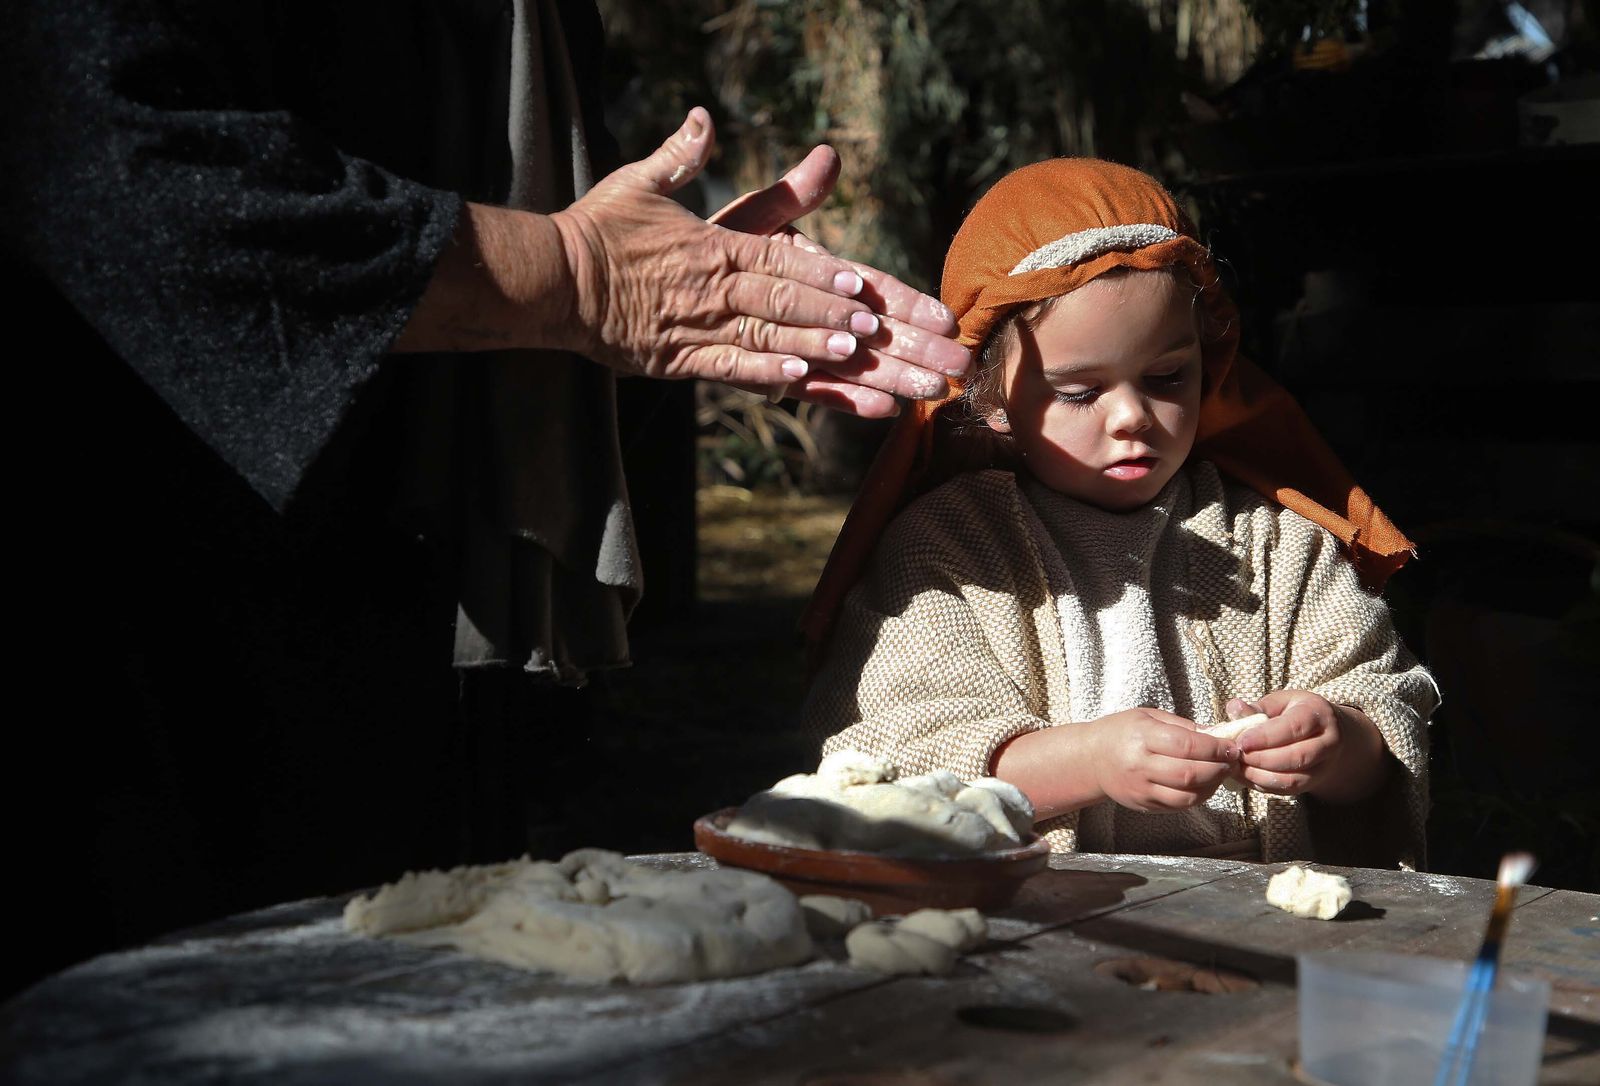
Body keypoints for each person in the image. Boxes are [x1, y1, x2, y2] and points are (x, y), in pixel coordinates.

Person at [0, 0, 968, 996]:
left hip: (425, 656)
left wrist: (668, 307)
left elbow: (504, 260)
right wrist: (571, 277)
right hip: (148, 646)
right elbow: (111, 168)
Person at [800, 158, 1438, 868]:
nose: (1133, 416)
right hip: (1035, 914)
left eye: (1167, 377)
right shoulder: (947, 550)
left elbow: (1383, 704)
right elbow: (897, 752)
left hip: (1257, 913)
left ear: (1209, 361)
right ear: (991, 399)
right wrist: (1090, 762)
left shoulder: (1278, 544)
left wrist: (1340, 743)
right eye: (1079, 391)